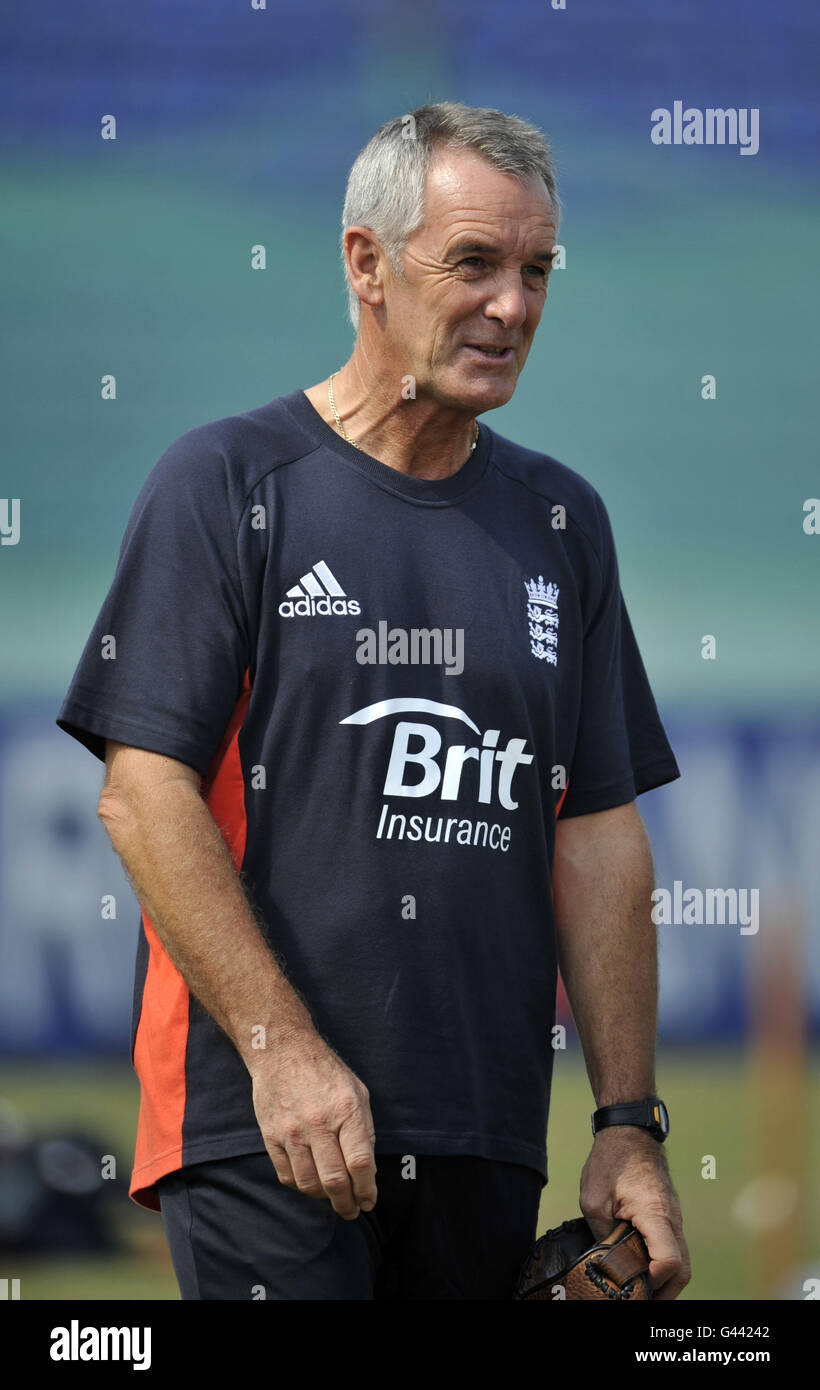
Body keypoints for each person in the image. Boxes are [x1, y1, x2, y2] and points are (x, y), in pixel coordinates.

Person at [56, 101, 690, 1301]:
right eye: (474, 263)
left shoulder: (564, 525)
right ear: (365, 263)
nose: (513, 304)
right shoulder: (228, 483)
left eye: (536, 269)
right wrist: (281, 1048)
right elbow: (142, 798)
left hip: (485, 1133)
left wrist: (628, 1122)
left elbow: (597, 838)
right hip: (264, 1127)